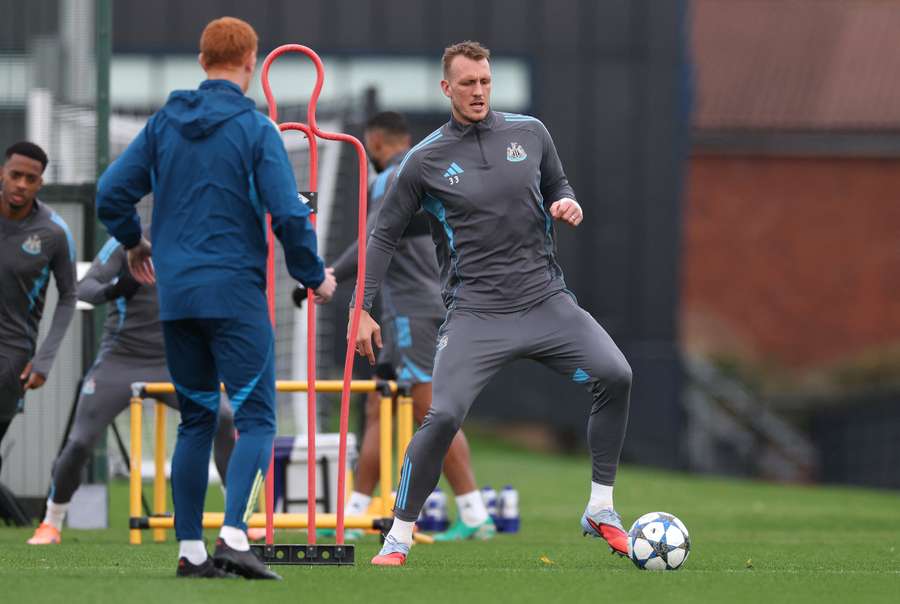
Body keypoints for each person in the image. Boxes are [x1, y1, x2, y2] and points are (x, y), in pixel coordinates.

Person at [352, 41, 633, 566]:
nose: (478, 91)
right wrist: (361, 308)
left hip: (547, 301)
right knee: (442, 417)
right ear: (446, 89)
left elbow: (557, 184)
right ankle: (398, 536)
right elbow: (381, 235)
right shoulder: (423, 160)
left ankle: (601, 508)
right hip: (476, 314)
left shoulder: (531, 132)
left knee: (616, 375)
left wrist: (565, 202)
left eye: (484, 82)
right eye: (467, 84)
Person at [96, 17, 335, 579]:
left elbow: (110, 193)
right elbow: (288, 213)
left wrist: (134, 242)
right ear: (250, 63)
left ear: (202, 61)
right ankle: (232, 535)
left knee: (197, 420)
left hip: (176, 297)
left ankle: (191, 551)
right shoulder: (255, 130)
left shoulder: (162, 125)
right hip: (234, 295)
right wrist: (314, 275)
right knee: (255, 419)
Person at [324, 111, 493, 541]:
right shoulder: (429, 169)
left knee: (432, 411)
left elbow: (371, 241)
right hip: (425, 306)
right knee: (378, 406)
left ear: (376, 142)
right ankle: (356, 513)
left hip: (413, 314)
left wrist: (327, 276)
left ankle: (475, 513)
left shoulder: (390, 179)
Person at [27, 231, 238, 545]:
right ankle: (51, 522)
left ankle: (237, 519)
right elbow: (84, 288)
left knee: (224, 417)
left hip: (176, 361)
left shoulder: (200, 235)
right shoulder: (128, 241)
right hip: (121, 360)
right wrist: (115, 289)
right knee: (81, 441)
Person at [0, 142, 76, 479]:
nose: (21, 184)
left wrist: (44, 359)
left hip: (11, 356)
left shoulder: (54, 233)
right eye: (15, 175)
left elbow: (69, 296)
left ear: (40, 184)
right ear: (2, 173)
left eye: (31, 179)